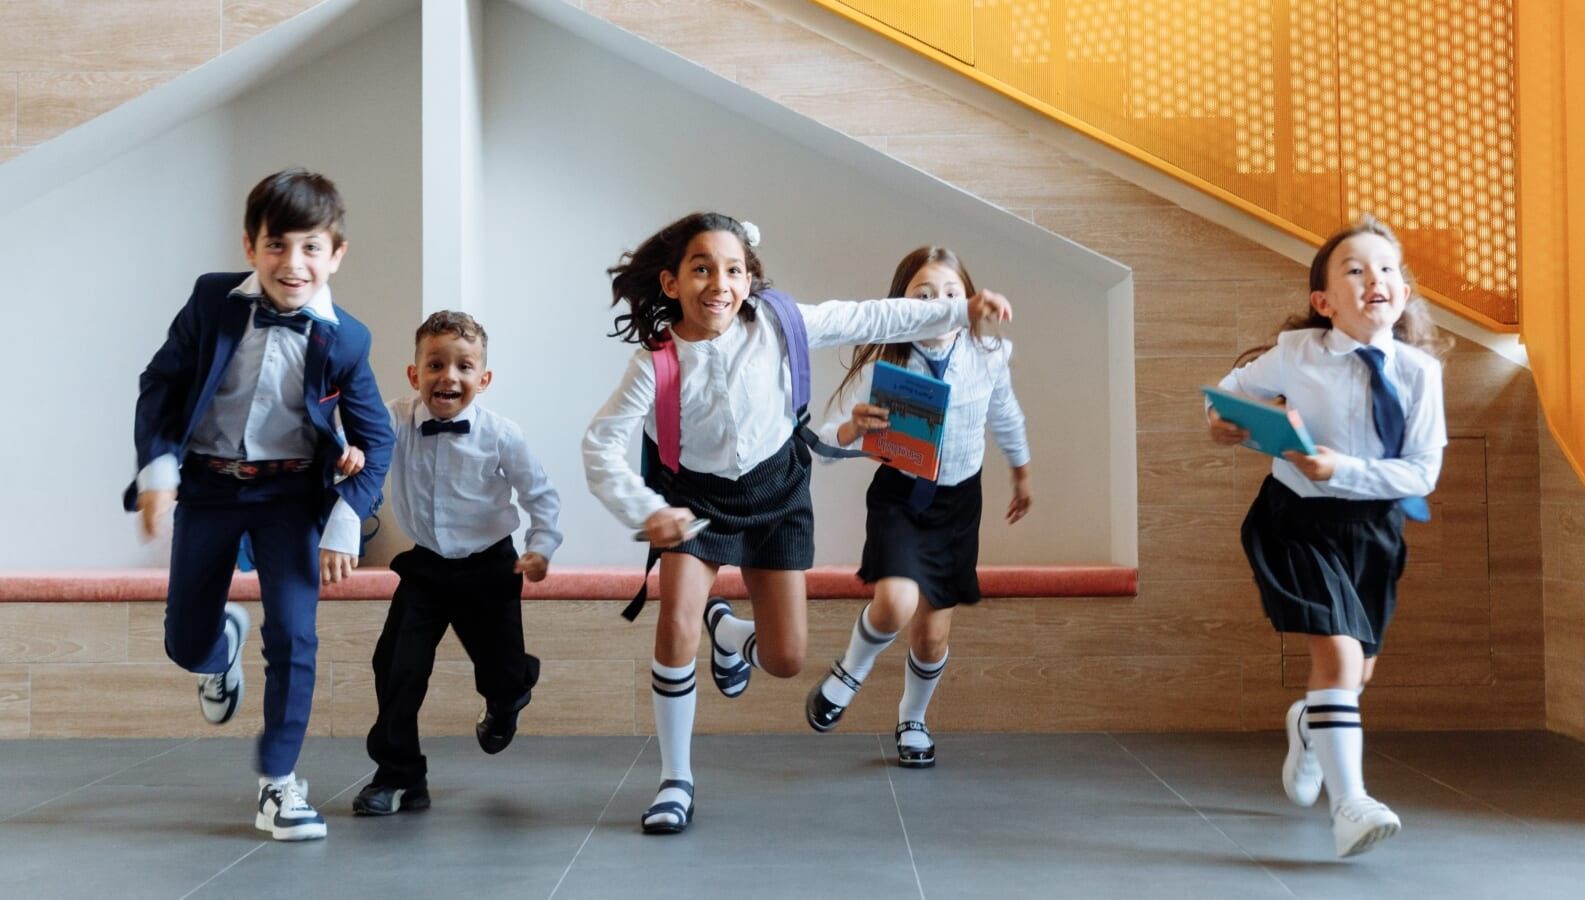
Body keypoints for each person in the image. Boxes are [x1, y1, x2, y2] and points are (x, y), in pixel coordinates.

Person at [582, 212, 1013, 834]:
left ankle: (729, 634)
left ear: (750, 279)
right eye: (701, 269)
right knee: (675, 623)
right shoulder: (656, 364)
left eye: (733, 270)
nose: (719, 284)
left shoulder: (782, 325)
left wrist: (960, 310)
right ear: (672, 283)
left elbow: (874, 316)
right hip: (693, 502)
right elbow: (600, 444)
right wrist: (645, 510)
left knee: (785, 659)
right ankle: (676, 780)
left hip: (777, 492)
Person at [126, 168, 393, 841]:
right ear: (250, 247)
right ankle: (218, 651)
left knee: (296, 636)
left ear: (336, 254)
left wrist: (343, 521)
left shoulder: (349, 339)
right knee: (185, 640)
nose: (293, 264)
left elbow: (377, 439)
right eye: (277, 245)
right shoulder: (212, 301)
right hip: (209, 488)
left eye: (310, 248)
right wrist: (158, 472)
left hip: (291, 497)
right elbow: (160, 384)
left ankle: (280, 784)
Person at [1208, 214, 1449, 858]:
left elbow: (1422, 472)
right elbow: (1226, 399)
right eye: (1356, 269)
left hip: (1374, 528)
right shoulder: (1296, 354)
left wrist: (1342, 467)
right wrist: (1226, 422)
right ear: (1323, 301)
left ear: (1403, 292)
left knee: (1355, 672)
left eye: (1388, 268)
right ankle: (1351, 807)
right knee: (1339, 660)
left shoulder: (1422, 373)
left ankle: (1311, 727)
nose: (1376, 278)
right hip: (1297, 520)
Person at [803, 246, 1031, 770]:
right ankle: (848, 674)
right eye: (922, 296)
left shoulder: (990, 352)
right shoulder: (890, 361)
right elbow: (827, 444)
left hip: (957, 504)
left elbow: (1006, 414)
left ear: (970, 301)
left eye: (951, 295)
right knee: (895, 604)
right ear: (901, 304)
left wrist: (1022, 473)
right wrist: (855, 428)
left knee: (931, 636)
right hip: (900, 498)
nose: (938, 306)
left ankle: (913, 717)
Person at [352, 311, 562, 816]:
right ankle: (400, 775)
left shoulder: (502, 435)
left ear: (483, 380)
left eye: (464, 367)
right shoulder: (395, 419)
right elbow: (355, 431)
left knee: (501, 668)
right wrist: (347, 451)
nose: (450, 376)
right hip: (426, 568)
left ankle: (510, 694)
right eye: (436, 364)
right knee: (396, 666)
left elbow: (541, 495)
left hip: (492, 567)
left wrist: (542, 547)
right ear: (414, 374)